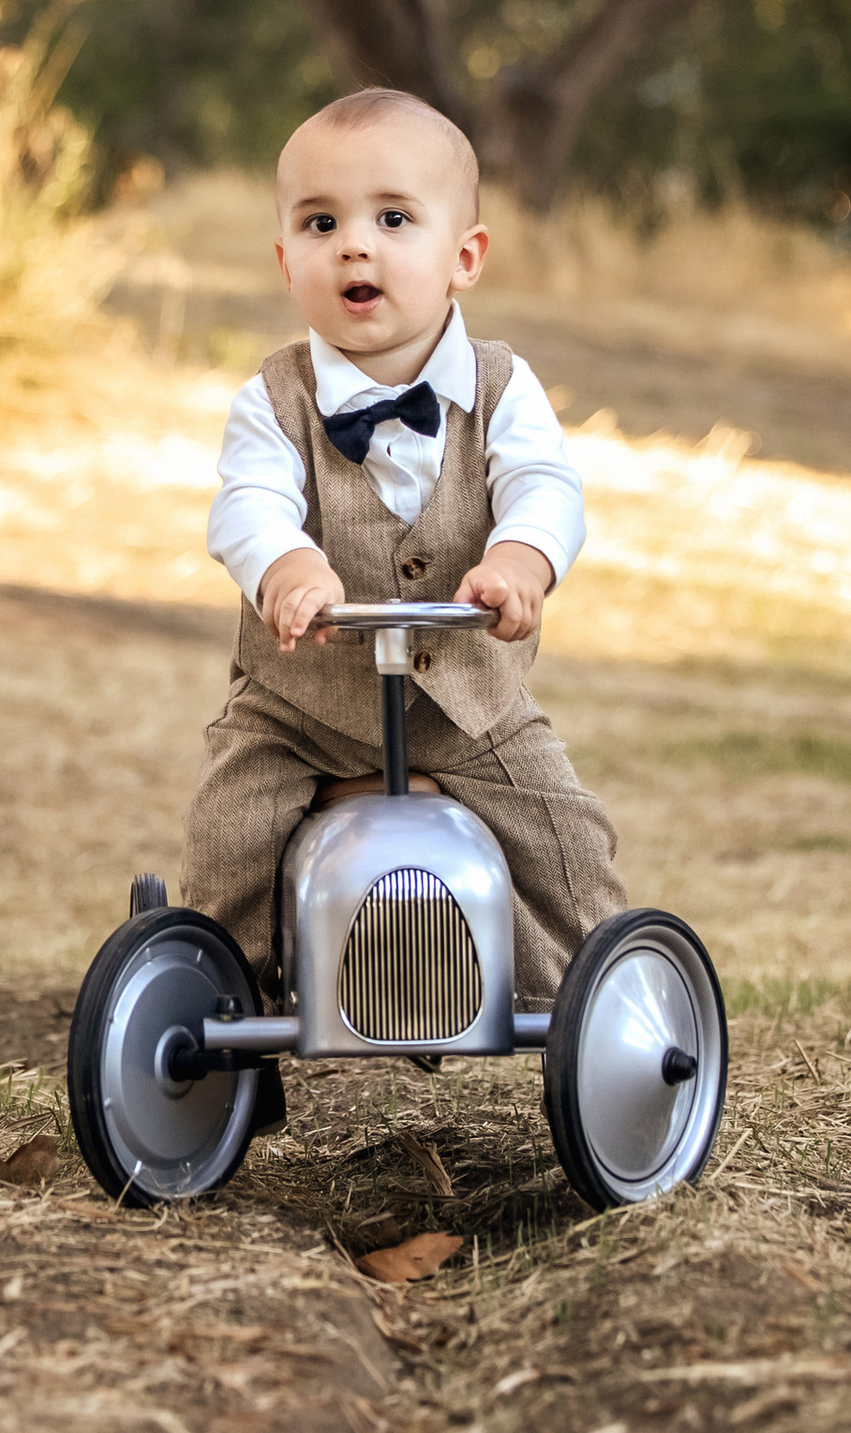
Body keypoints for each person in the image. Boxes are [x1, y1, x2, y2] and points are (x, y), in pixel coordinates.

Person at [180, 84, 625, 1017]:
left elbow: (547, 488)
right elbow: (247, 505)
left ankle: (601, 1008)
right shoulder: (275, 398)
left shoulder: (503, 386)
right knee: (230, 829)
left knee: (566, 836)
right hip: (300, 706)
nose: (354, 243)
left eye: (392, 217)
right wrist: (287, 565)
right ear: (284, 258)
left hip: (469, 706)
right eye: (319, 222)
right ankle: (223, 1012)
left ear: (464, 257)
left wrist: (521, 561)